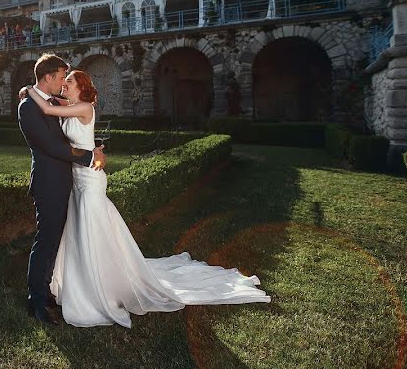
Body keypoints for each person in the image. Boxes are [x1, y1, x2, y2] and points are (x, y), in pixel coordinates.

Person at [24, 70, 271, 328]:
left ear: (81, 87)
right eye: (64, 80)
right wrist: (41, 96)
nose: (64, 84)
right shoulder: (73, 105)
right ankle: (83, 280)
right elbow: (53, 104)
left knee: (91, 228)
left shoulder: (84, 107)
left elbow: (49, 108)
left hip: (90, 179)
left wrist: (29, 90)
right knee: (80, 230)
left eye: (69, 81)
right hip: (77, 178)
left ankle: (99, 285)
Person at [17, 54, 107, 327]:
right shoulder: (28, 108)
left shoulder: (44, 101)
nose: (62, 83)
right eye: (60, 78)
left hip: (64, 182)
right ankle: (36, 302)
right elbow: (52, 147)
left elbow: (70, 120)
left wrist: (94, 148)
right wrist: (90, 156)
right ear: (48, 77)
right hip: (48, 183)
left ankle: (44, 293)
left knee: (55, 240)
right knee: (45, 241)